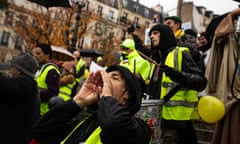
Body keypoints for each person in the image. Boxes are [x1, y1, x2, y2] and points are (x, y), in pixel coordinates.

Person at [31, 65, 152, 144]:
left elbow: (114, 124)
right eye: (104, 77)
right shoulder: (84, 120)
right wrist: (77, 102)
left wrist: (106, 96)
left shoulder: (139, 129)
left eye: (114, 78)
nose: (104, 81)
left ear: (128, 94)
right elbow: (40, 131)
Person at [147, 24, 207, 144]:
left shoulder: (180, 53)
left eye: (156, 33)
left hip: (179, 120)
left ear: (166, 35)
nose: (152, 37)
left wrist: (177, 75)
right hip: (159, 118)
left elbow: (201, 82)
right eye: (151, 34)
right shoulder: (157, 59)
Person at [0, 53, 40, 144]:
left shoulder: (25, 84)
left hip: (11, 136)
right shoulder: (26, 85)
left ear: (19, 70)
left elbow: (4, 84)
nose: (10, 70)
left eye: (12, 67)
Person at [32, 44, 61, 115]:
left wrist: (33, 95)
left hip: (43, 112)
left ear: (47, 55)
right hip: (36, 110)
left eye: (38, 53)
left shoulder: (51, 70)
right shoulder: (40, 68)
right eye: (34, 54)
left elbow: (53, 93)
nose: (35, 56)